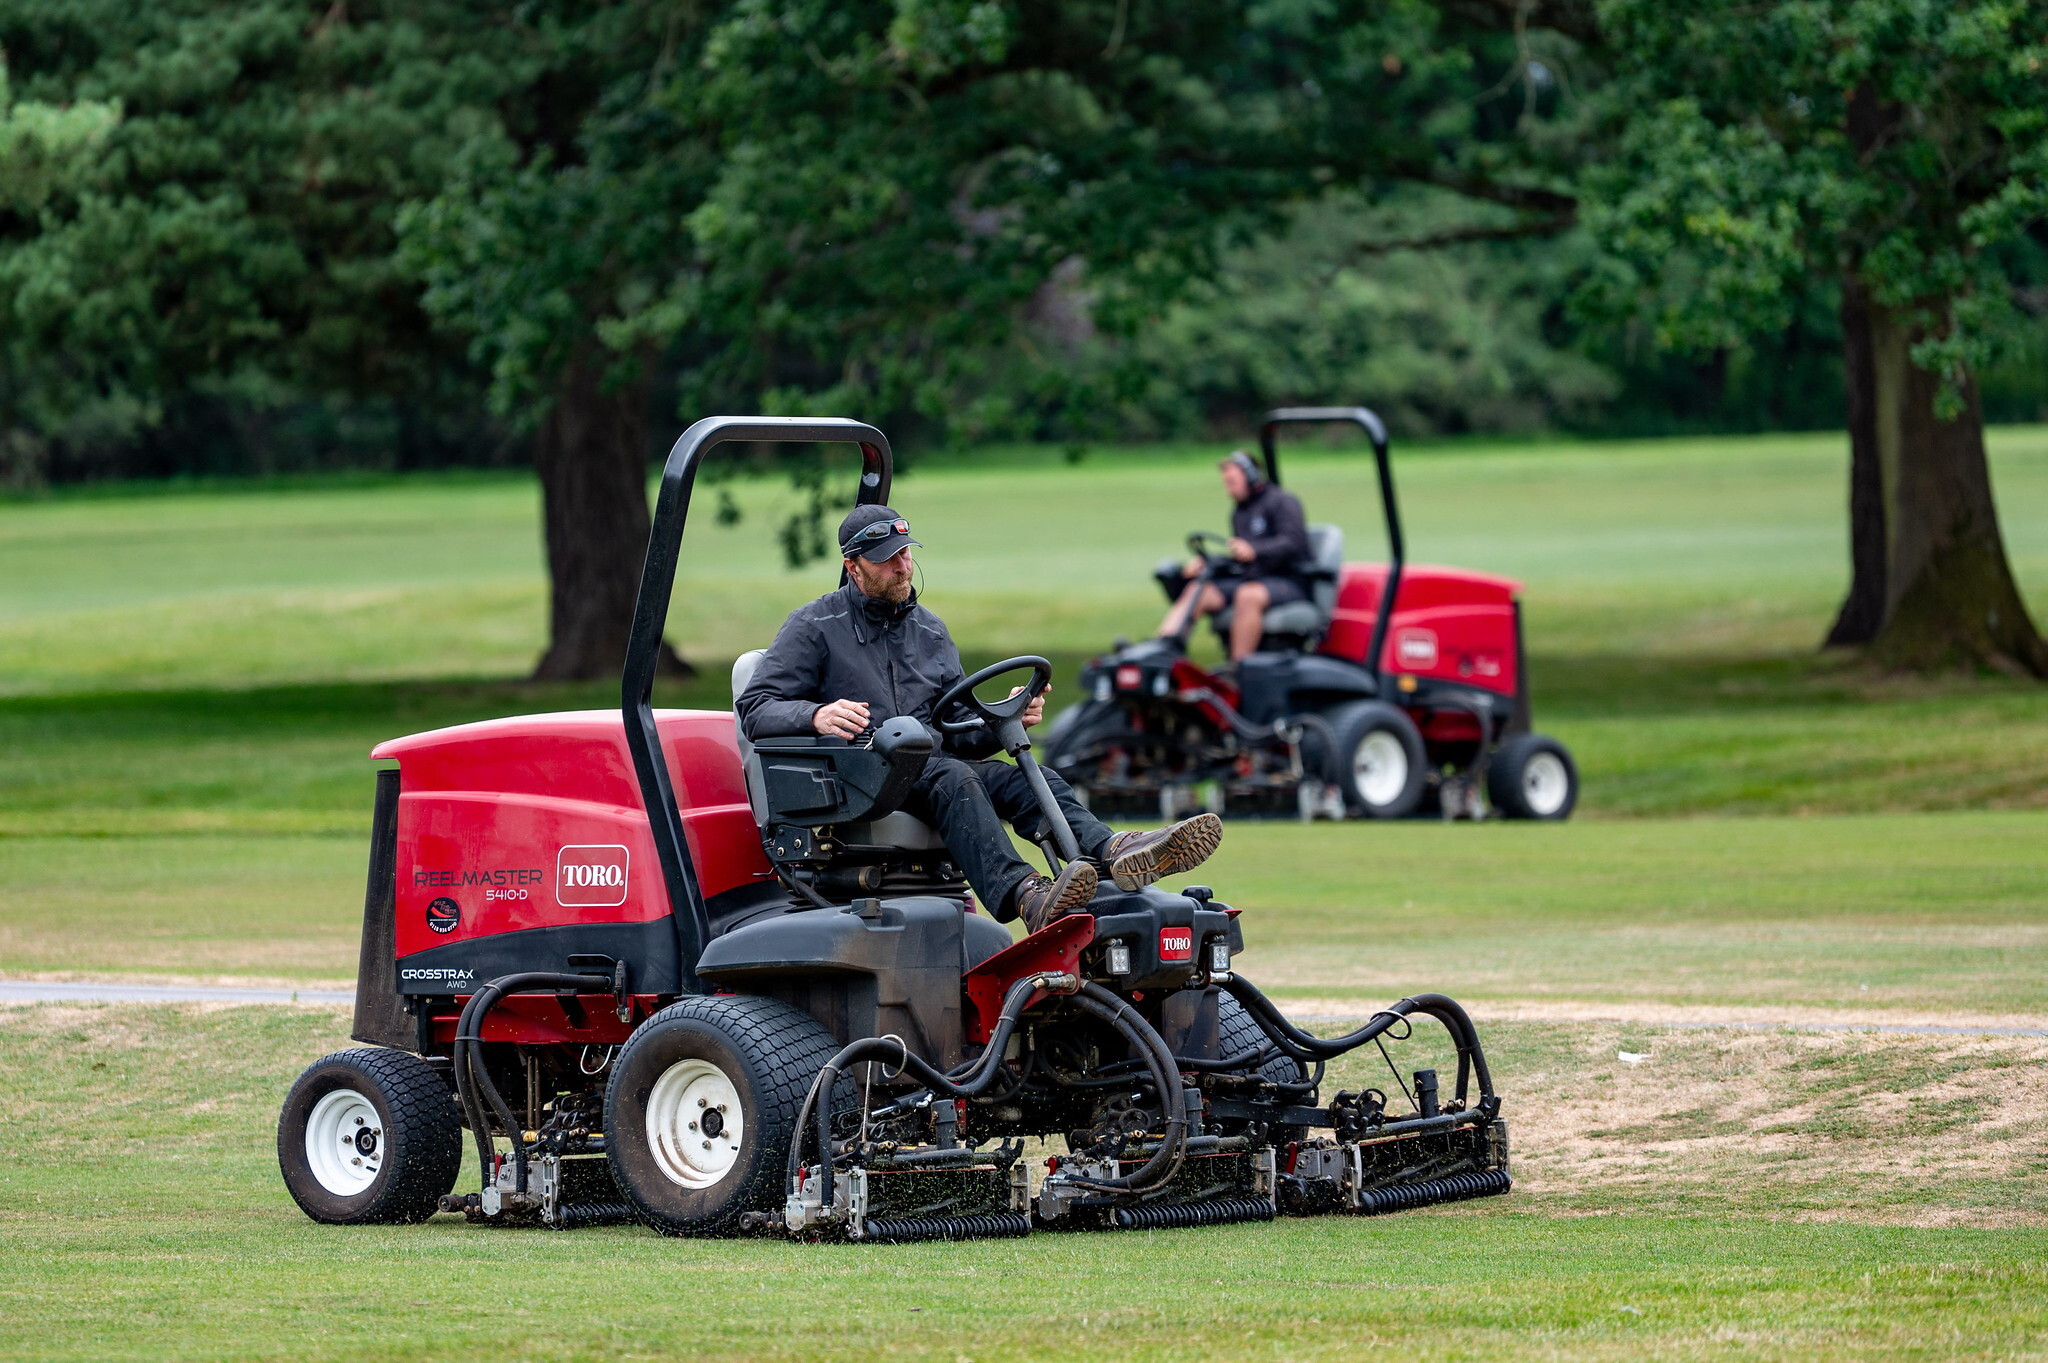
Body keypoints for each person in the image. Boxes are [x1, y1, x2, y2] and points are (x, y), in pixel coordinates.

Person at [737, 504, 1222, 932]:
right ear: (853, 566)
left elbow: (956, 727)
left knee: (1031, 778)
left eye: (906, 553)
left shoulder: (928, 631)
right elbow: (757, 707)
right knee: (953, 776)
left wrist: (1004, 718)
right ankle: (1027, 896)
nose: (903, 566)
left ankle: (1112, 851)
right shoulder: (815, 626)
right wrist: (817, 714)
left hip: (930, 768)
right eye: (888, 559)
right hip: (859, 780)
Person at [1156, 450, 1313, 661]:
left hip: (1289, 581)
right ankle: (1163, 650)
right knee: (1199, 589)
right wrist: (1210, 563)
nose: (1228, 490)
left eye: (1231, 482)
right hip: (1253, 579)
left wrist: (1255, 550)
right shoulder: (1240, 511)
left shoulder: (1282, 502)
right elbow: (1241, 556)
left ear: (1251, 476)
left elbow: (1293, 542)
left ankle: (1239, 668)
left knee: (1247, 595)